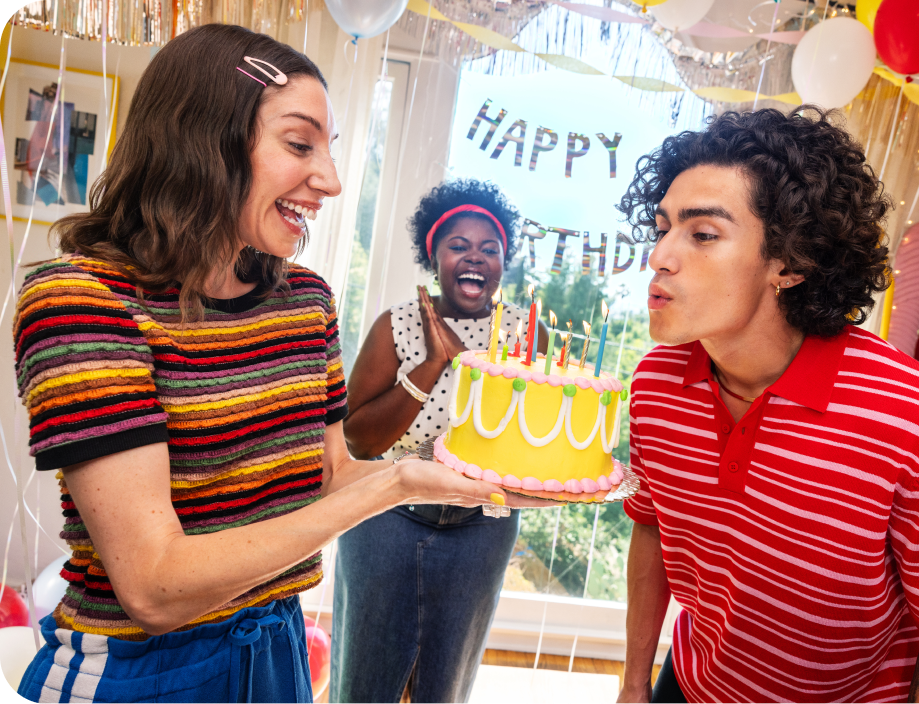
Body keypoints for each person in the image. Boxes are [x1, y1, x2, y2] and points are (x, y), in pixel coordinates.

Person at [12, 25, 534, 704]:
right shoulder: (82, 302)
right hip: (144, 671)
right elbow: (153, 587)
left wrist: (458, 481)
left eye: (329, 148)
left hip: (277, 647)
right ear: (204, 139)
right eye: (298, 144)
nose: (332, 180)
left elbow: (332, 474)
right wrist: (398, 483)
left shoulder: (305, 301)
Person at [614, 108, 919, 704]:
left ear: (791, 262)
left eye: (702, 234)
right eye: (662, 228)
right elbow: (651, 527)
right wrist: (633, 685)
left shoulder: (917, 417)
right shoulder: (655, 383)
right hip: (690, 684)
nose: (660, 255)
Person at [332, 179, 549, 704]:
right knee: (366, 678)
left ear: (503, 262)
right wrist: (434, 362)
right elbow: (358, 441)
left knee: (445, 685)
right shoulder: (398, 326)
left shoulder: (525, 334)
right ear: (434, 255)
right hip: (387, 513)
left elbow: (532, 435)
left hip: (481, 525)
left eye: (489, 248)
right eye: (458, 246)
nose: (474, 257)